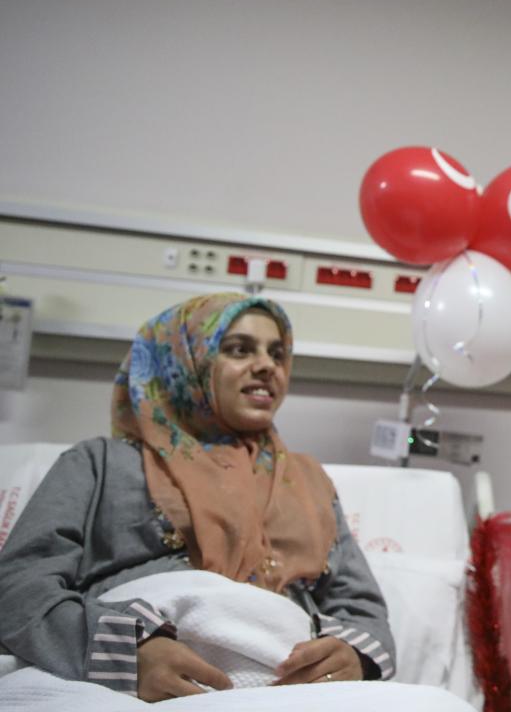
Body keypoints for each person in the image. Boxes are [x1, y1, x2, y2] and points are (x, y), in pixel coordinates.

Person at [0, 293, 394, 701]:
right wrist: (127, 652)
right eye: (239, 349)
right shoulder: (101, 463)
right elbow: (17, 587)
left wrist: (353, 656)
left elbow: (362, 609)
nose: (267, 366)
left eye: (277, 354)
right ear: (182, 359)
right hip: (121, 680)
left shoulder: (308, 481)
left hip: (285, 683)